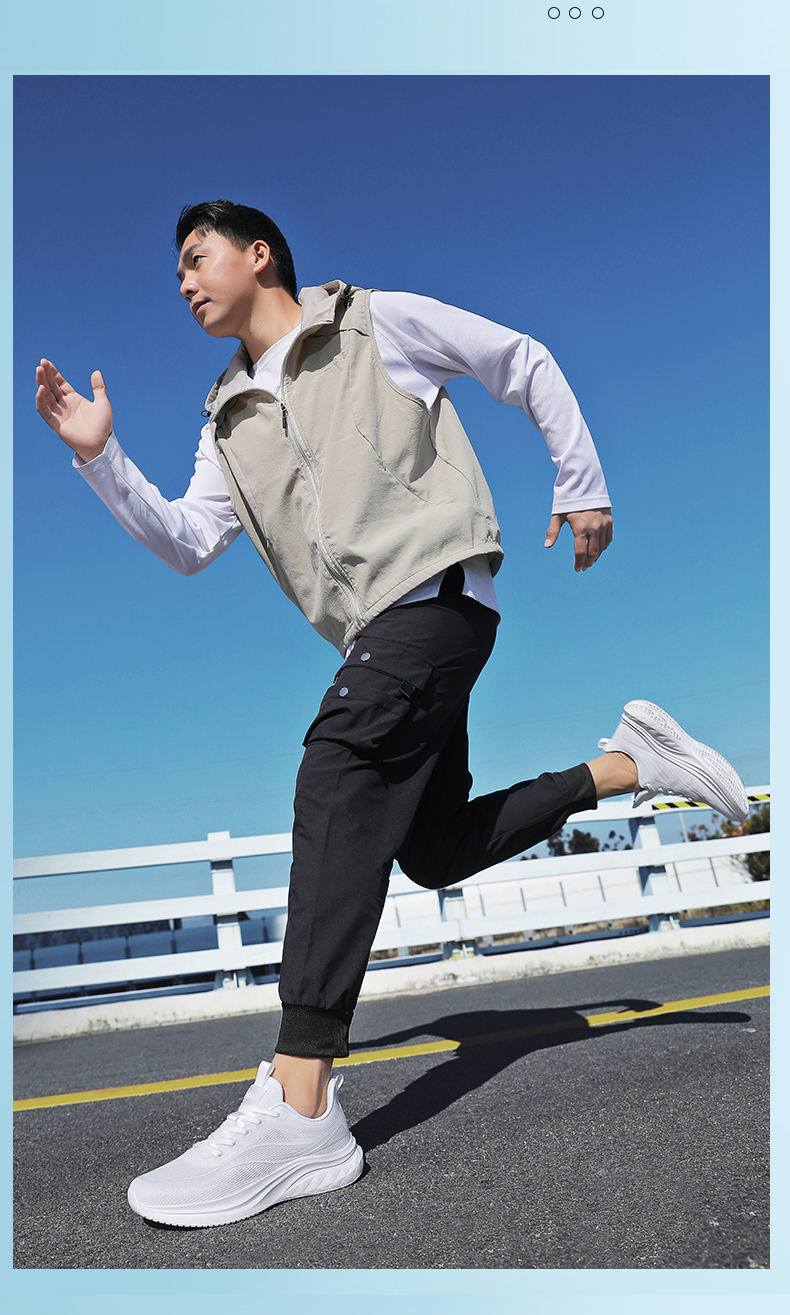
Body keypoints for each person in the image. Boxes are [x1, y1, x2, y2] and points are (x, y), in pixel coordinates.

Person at [35, 201, 749, 1229]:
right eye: (176, 271)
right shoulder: (224, 417)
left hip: (438, 598)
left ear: (258, 254)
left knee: (336, 768)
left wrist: (580, 479)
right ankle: (627, 764)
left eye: (197, 258)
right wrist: (102, 458)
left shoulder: (375, 322)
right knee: (434, 847)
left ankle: (301, 1101)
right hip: (380, 640)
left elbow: (520, 359)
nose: (183, 282)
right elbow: (189, 540)